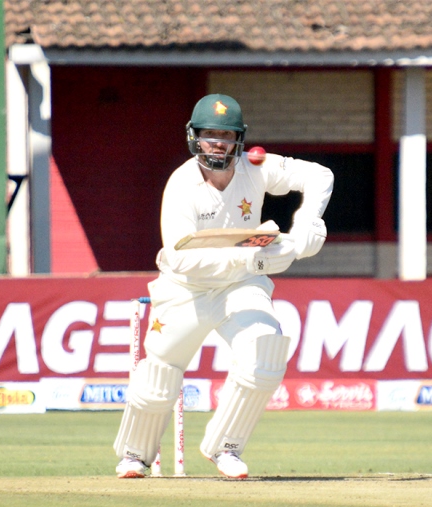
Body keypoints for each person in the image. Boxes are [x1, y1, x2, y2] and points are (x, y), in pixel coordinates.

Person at [113, 94, 333, 479]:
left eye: (226, 135)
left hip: (239, 286)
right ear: (194, 138)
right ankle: (134, 454)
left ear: (239, 140)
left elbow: (320, 175)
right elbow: (181, 258)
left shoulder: (255, 168)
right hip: (186, 289)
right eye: (209, 135)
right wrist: (251, 258)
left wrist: (306, 223)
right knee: (161, 372)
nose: (218, 143)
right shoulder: (181, 185)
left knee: (265, 351)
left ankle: (225, 447)